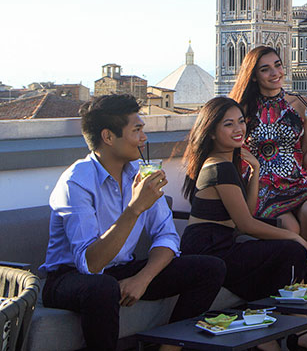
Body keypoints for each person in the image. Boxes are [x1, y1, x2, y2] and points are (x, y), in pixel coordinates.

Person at [41, 94, 225, 351]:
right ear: (108, 137)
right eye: (137, 130)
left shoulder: (141, 172)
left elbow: (167, 236)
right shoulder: (76, 181)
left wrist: (143, 278)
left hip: (120, 270)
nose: (144, 138)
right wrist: (135, 207)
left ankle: (169, 348)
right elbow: (90, 265)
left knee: (210, 268)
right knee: (102, 288)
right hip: (68, 277)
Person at [180, 96, 307, 351]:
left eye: (241, 122)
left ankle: (274, 332)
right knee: (292, 250)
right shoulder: (219, 166)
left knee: (284, 255)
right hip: (208, 249)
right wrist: (293, 237)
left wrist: (254, 170)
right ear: (211, 131)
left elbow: (249, 211)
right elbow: (246, 224)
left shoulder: (228, 162)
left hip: (223, 244)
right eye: (228, 124)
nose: (238, 129)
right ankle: (283, 332)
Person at [230, 46, 307, 240]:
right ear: (254, 76)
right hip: (261, 186)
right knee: (288, 227)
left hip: (298, 182)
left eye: (278, 65)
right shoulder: (242, 108)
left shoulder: (304, 105)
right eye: (265, 69)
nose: (275, 73)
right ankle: (295, 267)